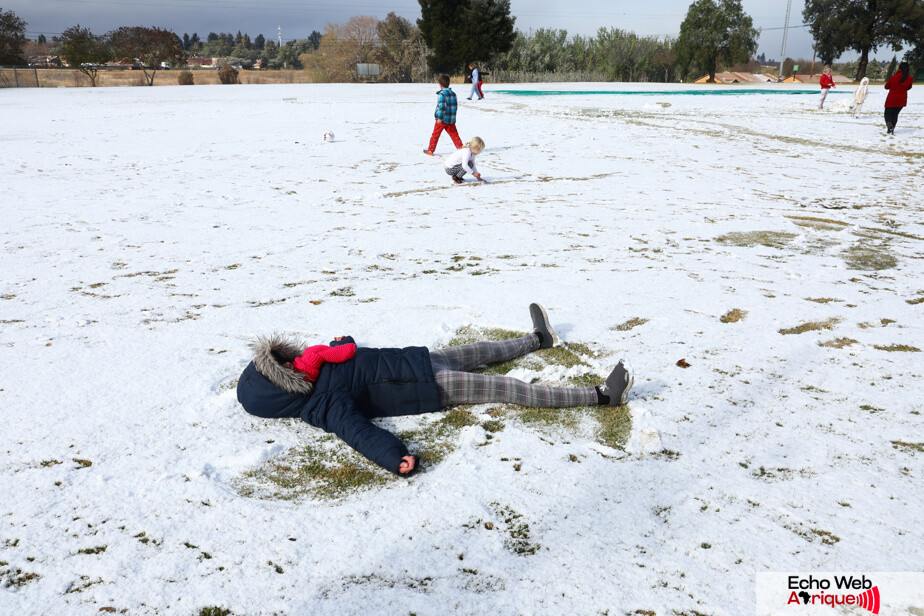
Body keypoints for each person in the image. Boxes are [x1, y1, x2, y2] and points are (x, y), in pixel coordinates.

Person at [237, 304, 634, 476]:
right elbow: (359, 433)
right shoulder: (321, 405)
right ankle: (602, 396)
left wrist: (344, 341)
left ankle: (538, 339)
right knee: (507, 387)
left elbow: (353, 355)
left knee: (482, 350)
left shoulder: (315, 363)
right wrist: (395, 457)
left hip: (420, 360)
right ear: (280, 389)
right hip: (429, 386)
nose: (289, 362)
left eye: (282, 358)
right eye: (281, 368)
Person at [423, 74, 463, 156]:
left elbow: (442, 107)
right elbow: (455, 106)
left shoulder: (442, 94)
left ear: (440, 85)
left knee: (435, 135)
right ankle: (461, 148)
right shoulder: (453, 93)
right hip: (451, 119)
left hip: (442, 120)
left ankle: (430, 150)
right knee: (454, 135)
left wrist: (439, 118)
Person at [884, 62, 913, 134]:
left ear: (899, 68)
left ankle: (889, 125)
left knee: (887, 114)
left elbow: (886, 87)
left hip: (892, 98)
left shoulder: (894, 77)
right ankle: (891, 129)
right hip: (902, 99)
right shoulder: (909, 78)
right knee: (895, 114)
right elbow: (909, 87)